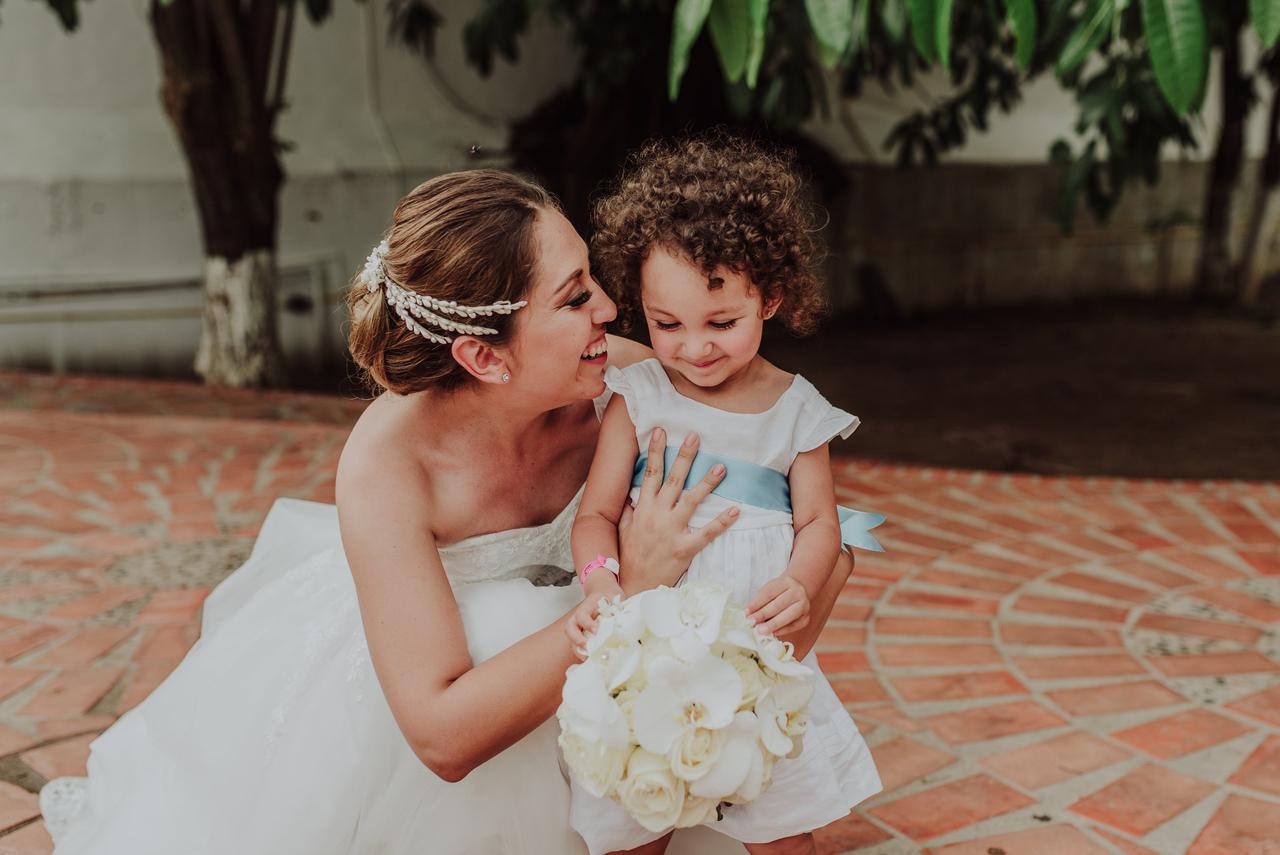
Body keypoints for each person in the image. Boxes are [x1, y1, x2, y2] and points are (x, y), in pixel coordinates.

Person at [37, 168, 855, 854]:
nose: (611, 309)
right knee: (502, 617)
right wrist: (628, 592)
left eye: (593, 281)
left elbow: (798, 521)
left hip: (612, 655)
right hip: (447, 693)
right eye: (574, 299)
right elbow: (440, 734)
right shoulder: (389, 465)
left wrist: (793, 604)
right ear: (481, 355)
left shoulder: (638, 387)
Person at [565, 136, 884, 855]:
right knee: (635, 811)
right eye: (665, 323)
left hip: (750, 648)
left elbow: (820, 522)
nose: (694, 347)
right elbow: (596, 514)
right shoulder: (637, 396)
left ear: (769, 297)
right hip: (646, 635)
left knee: (776, 816)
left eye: (722, 323)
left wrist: (801, 582)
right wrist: (598, 585)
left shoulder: (797, 410)